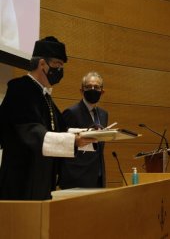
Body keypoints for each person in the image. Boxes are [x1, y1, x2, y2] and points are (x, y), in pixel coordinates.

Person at [0, 36, 96, 200]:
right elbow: (33, 133)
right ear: (42, 64)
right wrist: (74, 140)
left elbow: (61, 129)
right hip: (21, 180)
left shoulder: (44, 96)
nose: (60, 70)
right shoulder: (20, 89)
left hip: (41, 180)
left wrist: (89, 133)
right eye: (57, 65)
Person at [58, 71, 108, 189]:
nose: (92, 89)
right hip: (76, 177)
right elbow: (64, 145)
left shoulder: (103, 114)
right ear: (81, 90)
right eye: (88, 87)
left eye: (96, 87)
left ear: (102, 91)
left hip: (98, 176)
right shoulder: (71, 112)